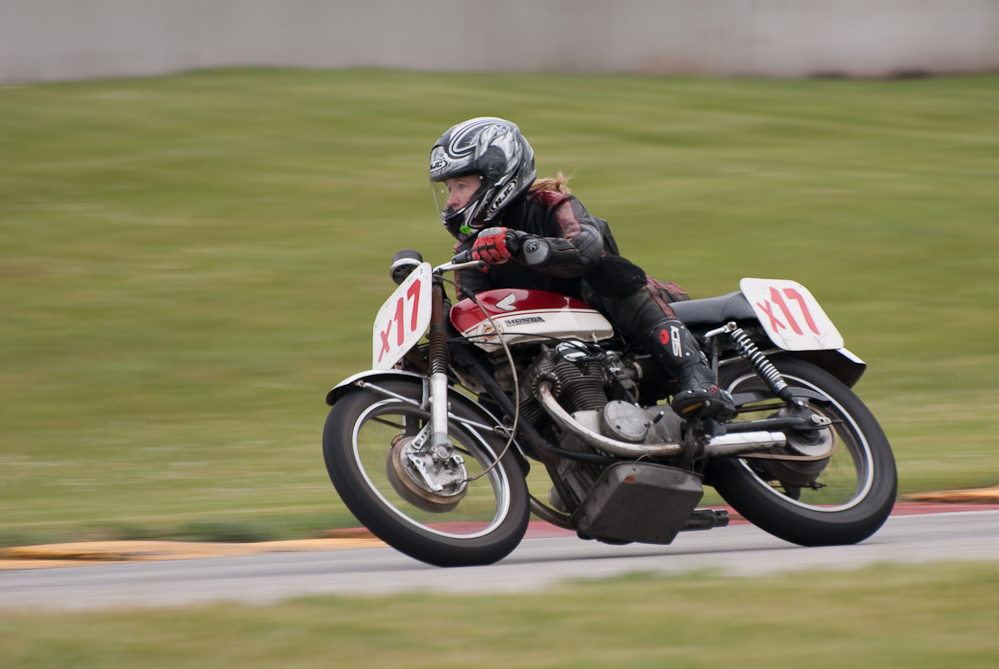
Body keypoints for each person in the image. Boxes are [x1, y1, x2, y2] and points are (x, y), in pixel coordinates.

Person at [429, 117, 734, 420]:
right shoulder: (469, 254)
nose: (452, 201)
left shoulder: (550, 204)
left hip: (633, 314)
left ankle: (698, 377)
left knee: (608, 273)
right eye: (449, 189)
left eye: (460, 186)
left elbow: (583, 249)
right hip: (566, 347)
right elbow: (483, 319)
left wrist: (519, 244)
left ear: (496, 176)